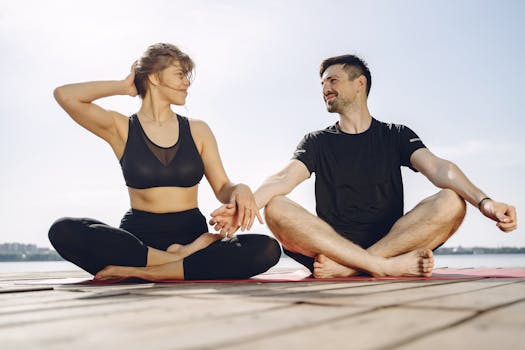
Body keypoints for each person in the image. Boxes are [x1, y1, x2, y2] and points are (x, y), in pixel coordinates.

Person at [211, 54, 517, 278]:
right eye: (322, 83)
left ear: (360, 84)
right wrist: (245, 208)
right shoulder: (317, 141)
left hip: (387, 243)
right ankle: (381, 267)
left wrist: (485, 203)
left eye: (332, 80)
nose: (325, 88)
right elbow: (282, 179)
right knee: (275, 206)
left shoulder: (396, 135)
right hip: (328, 247)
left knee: (452, 200)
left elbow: (440, 169)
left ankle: (355, 266)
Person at [48, 43, 281, 281]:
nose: (187, 83)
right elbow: (65, 95)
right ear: (153, 77)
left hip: (191, 232)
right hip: (140, 241)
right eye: (180, 75)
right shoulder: (122, 128)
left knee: (267, 249)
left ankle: (142, 272)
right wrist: (123, 87)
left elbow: (223, 187)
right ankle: (178, 263)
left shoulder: (198, 130)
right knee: (63, 230)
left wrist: (240, 189)